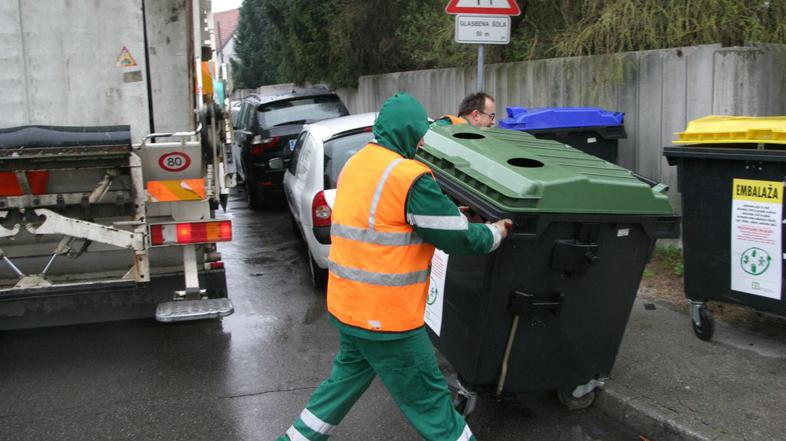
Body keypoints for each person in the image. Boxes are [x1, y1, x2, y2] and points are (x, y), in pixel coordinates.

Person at [276, 93, 512, 441]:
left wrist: (441, 215)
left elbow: (385, 219)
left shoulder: (355, 164)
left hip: (349, 309)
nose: (420, 141)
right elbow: (459, 239)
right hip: (389, 320)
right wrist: (495, 232)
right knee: (432, 407)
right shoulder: (410, 176)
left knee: (338, 390)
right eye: (419, 133)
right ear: (407, 131)